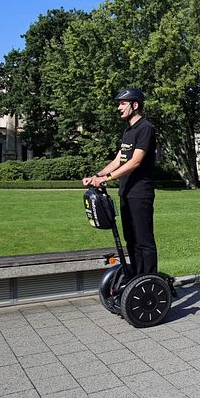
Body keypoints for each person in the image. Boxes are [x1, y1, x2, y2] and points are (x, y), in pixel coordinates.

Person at [83, 88, 158, 275]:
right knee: (130, 239)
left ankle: (149, 280)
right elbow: (119, 160)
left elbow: (135, 161)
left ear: (135, 105)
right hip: (126, 192)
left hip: (140, 193)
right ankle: (136, 278)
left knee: (143, 240)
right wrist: (97, 176)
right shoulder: (128, 131)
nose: (119, 107)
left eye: (122, 103)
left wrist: (106, 179)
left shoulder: (146, 128)